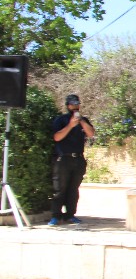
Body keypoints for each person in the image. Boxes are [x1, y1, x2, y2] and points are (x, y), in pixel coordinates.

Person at [49, 94, 95, 226]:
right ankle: (55, 216)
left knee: (73, 189)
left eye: (77, 104)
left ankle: (70, 215)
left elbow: (91, 134)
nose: (75, 106)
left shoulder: (84, 120)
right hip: (63, 159)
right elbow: (57, 137)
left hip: (78, 159)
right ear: (68, 105)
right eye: (72, 104)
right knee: (60, 189)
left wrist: (81, 122)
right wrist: (70, 125)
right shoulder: (61, 120)